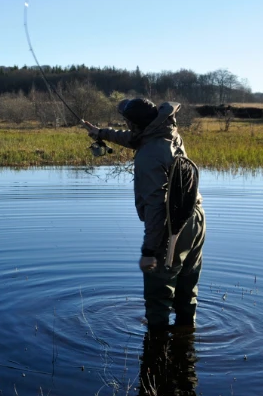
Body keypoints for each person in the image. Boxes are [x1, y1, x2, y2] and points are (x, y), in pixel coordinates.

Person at [83, 98, 205, 328]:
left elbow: (156, 206)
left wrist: (149, 251)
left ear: (134, 124)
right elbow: (136, 138)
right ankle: (186, 337)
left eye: (127, 122)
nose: (126, 125)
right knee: (187, 288)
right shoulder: (168, 132)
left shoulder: (149, 155)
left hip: (171, 225)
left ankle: (156, 343)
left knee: (158, 295)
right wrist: (101, 133)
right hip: (196, 218)